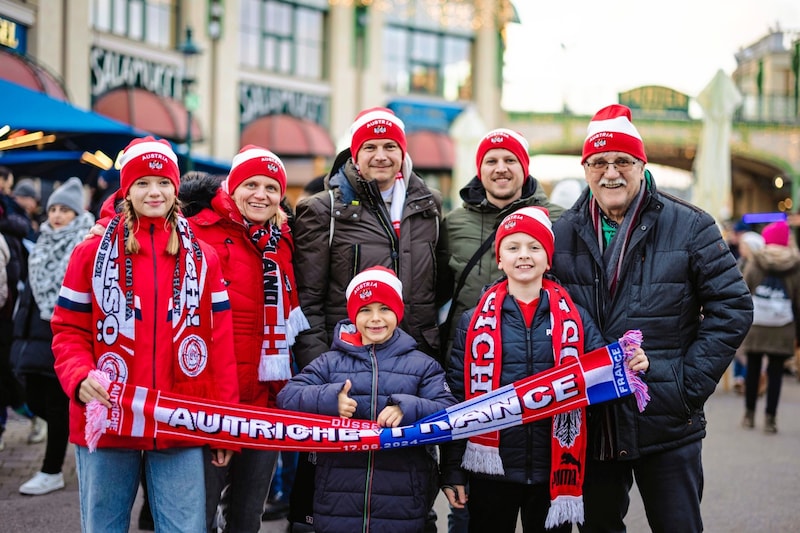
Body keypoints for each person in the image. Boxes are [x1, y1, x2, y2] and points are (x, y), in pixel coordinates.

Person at [550, 104, 753, 532]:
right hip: (594, 422)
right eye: (599, 163)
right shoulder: (560, 233)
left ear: (641, 164)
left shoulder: (691, 225)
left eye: (622, 161)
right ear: (585, 168)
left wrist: (684, 385)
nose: (611, 173)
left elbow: (733, 306)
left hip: (666, 419)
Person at [50, 137, 239, 532]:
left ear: (176, 189)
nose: (154, 191)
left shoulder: (204, 256)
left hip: (179, 419)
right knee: (104, 527)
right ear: (126, 190)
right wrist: (80, 376)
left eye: (164, 182)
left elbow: (221, 347)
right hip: (107, 414)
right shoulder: (91, 252)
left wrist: (224, 424)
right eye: (142, 182)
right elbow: (68, 329)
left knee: (185, 528)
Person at [441, 206, 647, 533]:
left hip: (555, 469)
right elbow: (456, 400)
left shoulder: (575, 318)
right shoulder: (472, 322)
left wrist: (631, 367)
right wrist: (452, 469)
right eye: (513, 247)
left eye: (534, 247)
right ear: (500, 259)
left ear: (548, 259)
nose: (524, 255)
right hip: (491, 472)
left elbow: (602, 376)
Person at [436, 128, 563, 533]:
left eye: (510, 160)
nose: (501, 168)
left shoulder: (559, 219)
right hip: (475, 377)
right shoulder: (453, 224)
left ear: (524, 169)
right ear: (479, 169)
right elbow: (435, 292)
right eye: (491, 160)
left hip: (541, 374)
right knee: (474, 511)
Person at [179, 145, 308, 533]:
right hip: (210, 400)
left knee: (247, 518)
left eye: (271, 187)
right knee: (196, 517)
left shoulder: (282, 239)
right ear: (232, 187)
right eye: (251, 184)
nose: (261, 194)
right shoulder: (196, 230)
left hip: (265, 401)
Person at [277, 266, 457, 533]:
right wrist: (329, 400)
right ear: (353, 314)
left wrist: (407, 408)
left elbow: (450, 411)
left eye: (384, 309)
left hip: (404, 503)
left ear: (398, 311)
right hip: (336, 500)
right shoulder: (329, 362)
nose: (375, 319)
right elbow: (287, 397)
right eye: (365, 310)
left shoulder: (423, 366)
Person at [11, 177, 94, 495]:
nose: (57, 215)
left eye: (65, 210)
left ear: (77, 213)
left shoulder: (84, 244)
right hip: (34, 331)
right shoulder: (41, 241)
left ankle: (52, 469)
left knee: (58, 405)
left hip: (65, 334)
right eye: (54, 209)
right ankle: (62, 445)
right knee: (34, 399)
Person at [740, 220, 800, 433]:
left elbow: (744, 292)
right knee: (775, 373)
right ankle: (770, 419)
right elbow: (797, 299)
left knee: (753, 370)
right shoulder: (795, 264)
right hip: (782, 326)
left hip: (756, 324)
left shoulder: (756, 262)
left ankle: (749, 414)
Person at [0, 166, 44, 450]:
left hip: (9, 310)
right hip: (12, 305)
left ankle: (33, 414)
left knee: (6, 370)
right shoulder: (14, 216)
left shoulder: (10, 217)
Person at [733, 231, 766, 394]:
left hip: (755, 311)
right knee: (739, 345)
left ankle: (749, 378)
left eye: (743, 246)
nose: (740, 248)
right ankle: (740, 377)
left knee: (746, 348)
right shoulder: (739, 263)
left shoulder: (757, 266)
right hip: (743, 310)